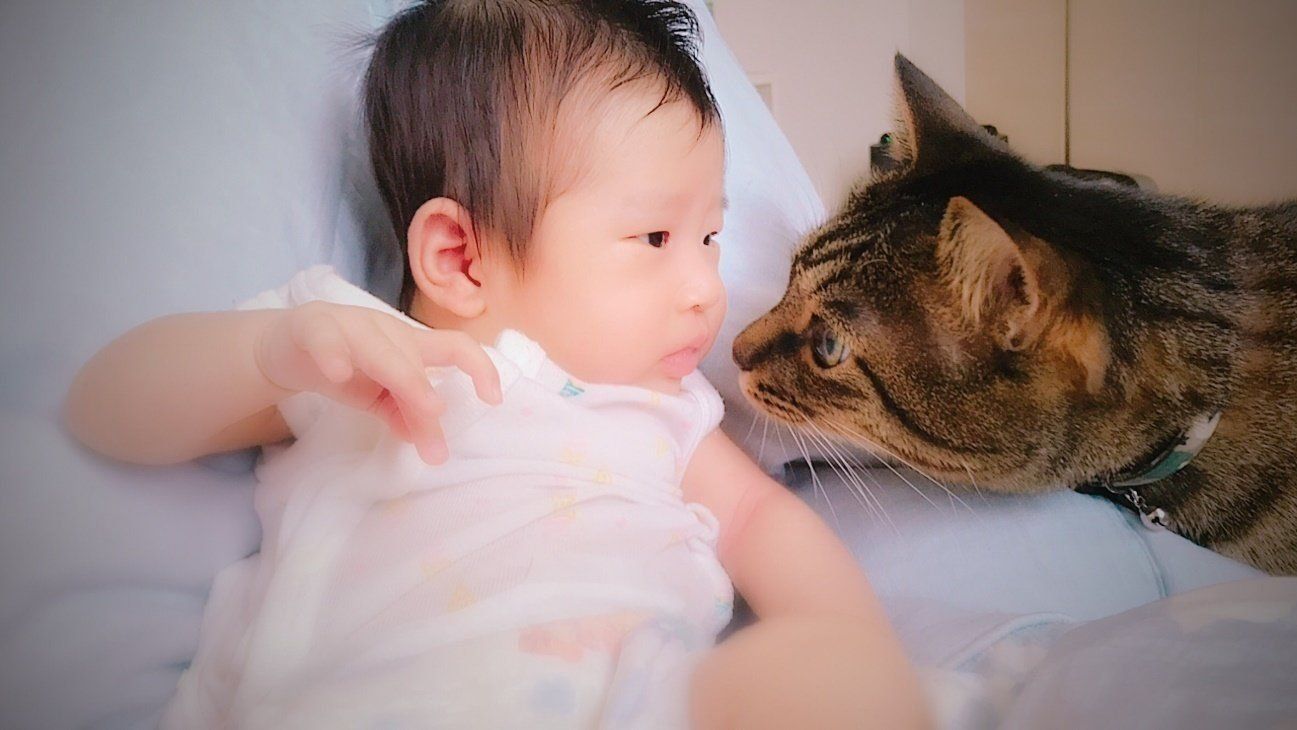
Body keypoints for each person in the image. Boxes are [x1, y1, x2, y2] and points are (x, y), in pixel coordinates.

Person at [62, 1, 929, 727]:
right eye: (655, 237)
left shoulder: (664, 408)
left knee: (829, 685)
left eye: (710, 237)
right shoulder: (352, 352)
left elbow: (758, 520)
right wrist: (267, 354)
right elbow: (104, 411)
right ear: (461, 258)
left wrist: (848, 644)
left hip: (634, 700)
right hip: (360, 700)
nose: (707, 289)